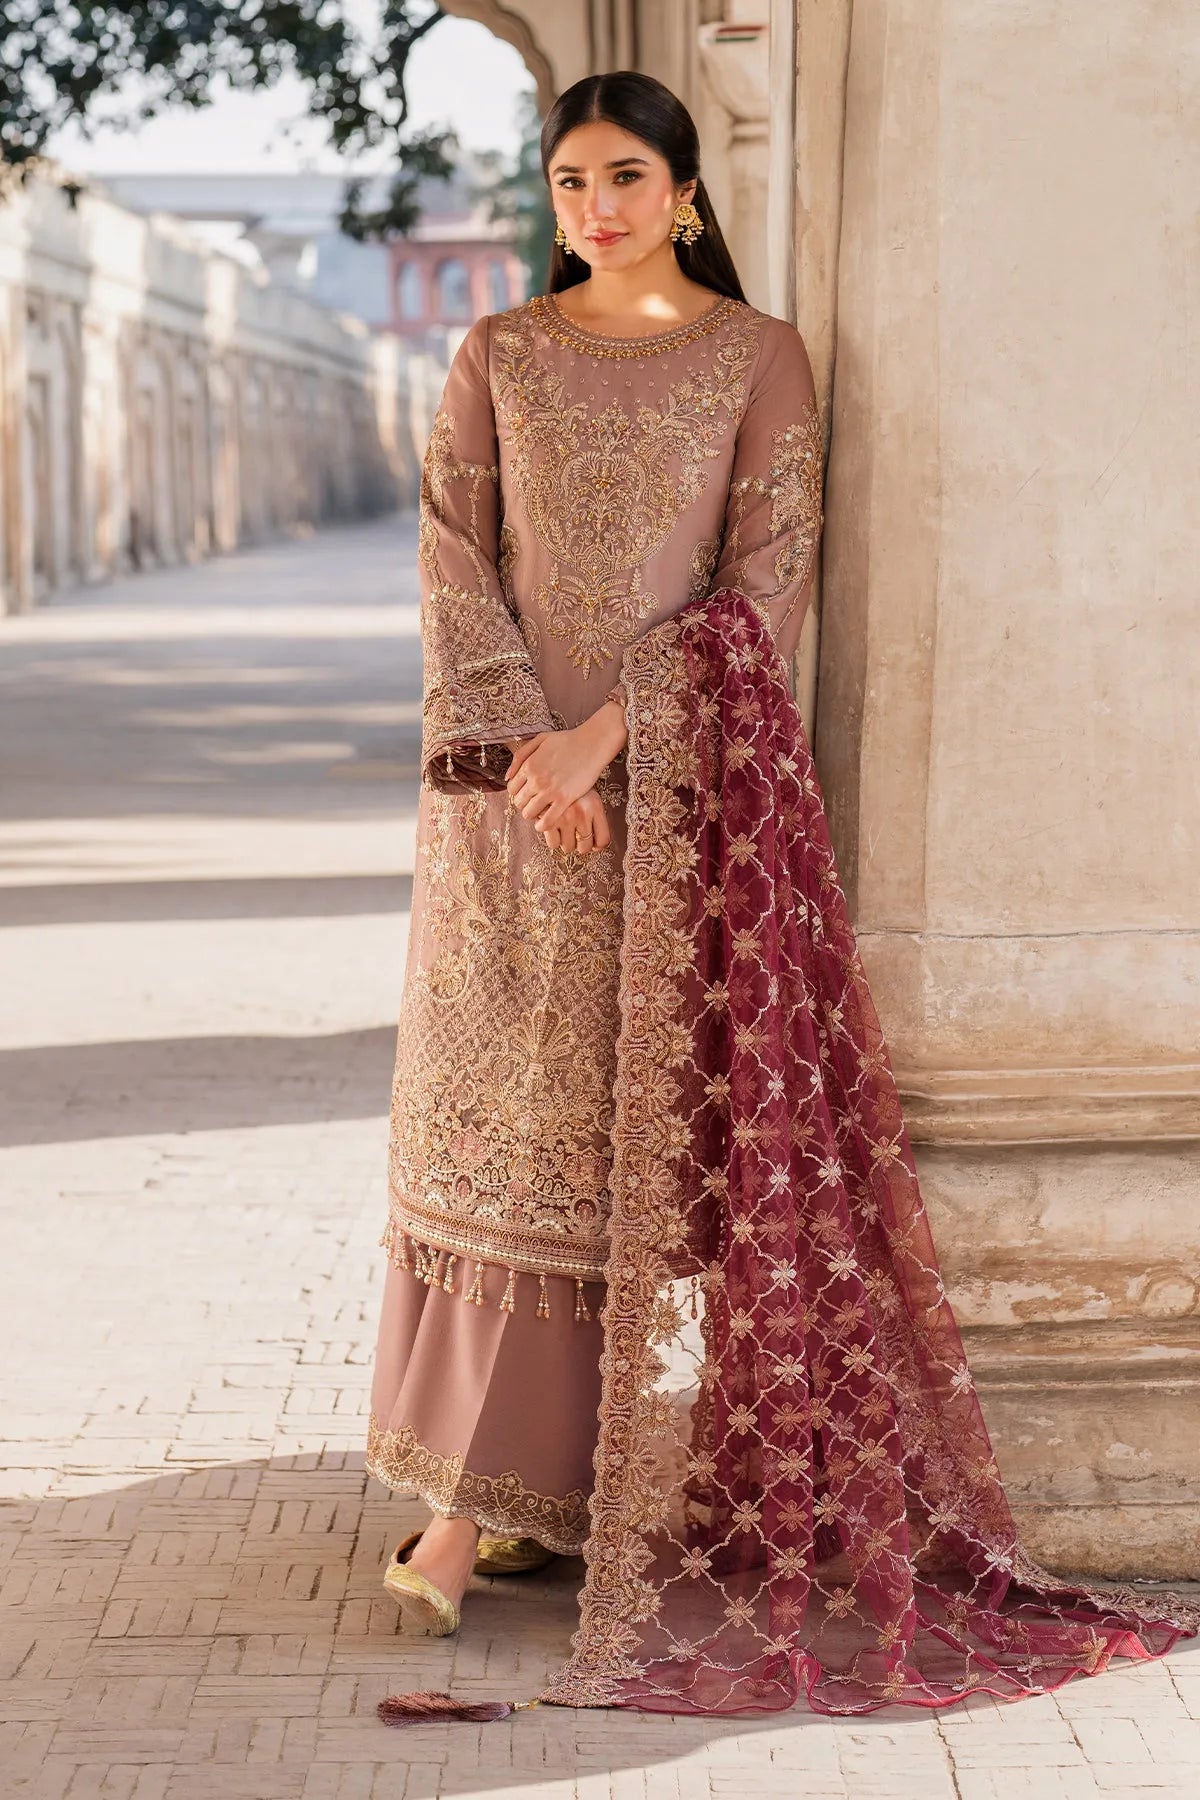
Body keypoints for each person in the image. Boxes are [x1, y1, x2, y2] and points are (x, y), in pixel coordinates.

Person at [367, 71, 1196, 1721]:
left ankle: (546, 1491)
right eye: (570, 179)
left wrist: (610, 740)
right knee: (503, 1132)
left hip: (683, 809)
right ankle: (474, 1502)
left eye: (626, 176)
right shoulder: (500, 357)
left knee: (643, 1143)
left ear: (684, 191)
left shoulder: (758, 357)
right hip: (506, 814)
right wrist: (526, 755)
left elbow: (766, 583)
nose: (594, 206)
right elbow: (453, 559)